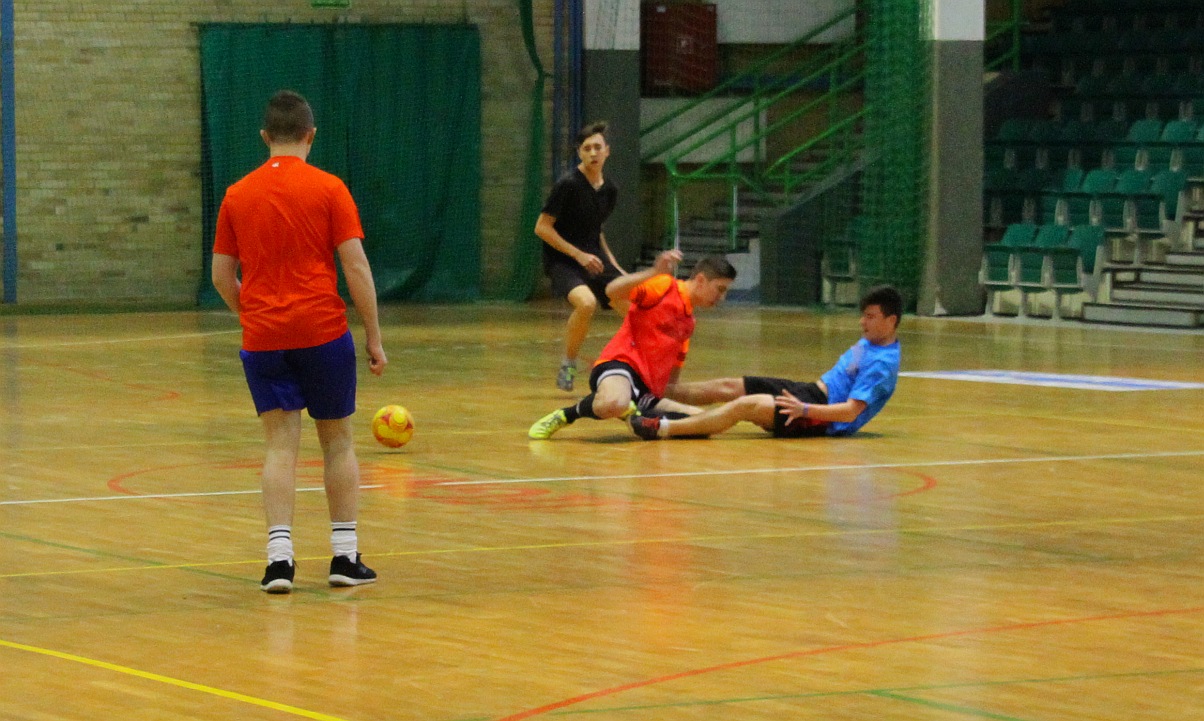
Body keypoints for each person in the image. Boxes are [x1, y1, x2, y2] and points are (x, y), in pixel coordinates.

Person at [211, 90, 387, 594]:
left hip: (264, 338)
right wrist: (373, 336)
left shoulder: (236, 194)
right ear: (311, 135)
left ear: (265, 137)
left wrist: (254, 315)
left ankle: (279, 562)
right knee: (338, 442)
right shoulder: (330, 188)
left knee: (279, 447)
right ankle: (344, 556)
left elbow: (223, 274)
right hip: (322, 332)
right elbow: (355, 266)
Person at [629, 285, 902, 441]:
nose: (862, 322)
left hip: (817, 417)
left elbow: (850, 412)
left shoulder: (882, 364)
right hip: (810, 391)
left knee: (744, 407)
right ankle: (646, 391)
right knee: (729, 386)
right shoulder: (873, 341)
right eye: (863, 315)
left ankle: (664, 428)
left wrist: (804, 409)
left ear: (891, 321)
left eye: (870, 316)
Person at [528, 251, 737, 439]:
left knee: (707, 422)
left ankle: (635, 413)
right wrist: (653, 271)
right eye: (720, 289)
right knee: (614, 403)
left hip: (645, 393)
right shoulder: (664, 286)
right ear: (700, 280)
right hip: (620, 366)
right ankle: (567, 414)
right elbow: (612, 291)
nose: (722, 297)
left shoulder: (688, 323)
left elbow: (671, 384)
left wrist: (707, 402)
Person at [535, 121, 629, 392]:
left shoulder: (610, 190)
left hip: (593, 258)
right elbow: (541, 227)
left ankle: (629, 365)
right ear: (580, 154)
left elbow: (597, 230)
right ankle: (569, 363)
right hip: (563, 259)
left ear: (607, 151)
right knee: (586, 303)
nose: (593, 153)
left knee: (634, 310)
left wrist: (616, 268)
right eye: (587, 148)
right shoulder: (568, 185)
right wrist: (578, 255)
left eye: (597, 147)